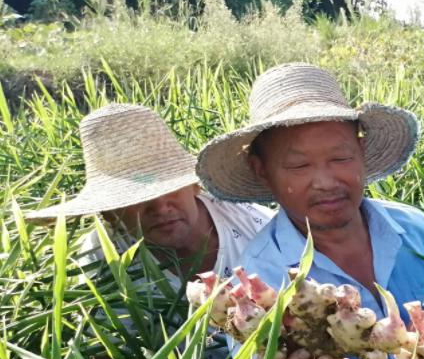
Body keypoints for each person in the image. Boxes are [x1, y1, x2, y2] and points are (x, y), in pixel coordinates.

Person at [197, 63, 424, 359]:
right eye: (299, 165)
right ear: (261, 170)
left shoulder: (418, 230)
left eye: (341, 158)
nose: (327, 182)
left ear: (362, 152)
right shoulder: (256, 287)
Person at [27, 103, 271, 281]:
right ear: (110, 214)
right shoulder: (104, 257)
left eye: (171, 189)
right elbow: (102, 347)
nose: (161, 207)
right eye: (137, 200)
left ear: (195, 185)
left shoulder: (258, 227)